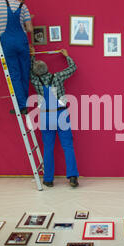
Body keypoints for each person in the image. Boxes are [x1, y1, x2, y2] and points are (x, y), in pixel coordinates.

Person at [30, 47, 79, 188]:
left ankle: (48, 179)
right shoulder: (57, 77)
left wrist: (32, 56)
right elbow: (73, 68)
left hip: (46, 116)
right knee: (68, 146)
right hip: (61, 114)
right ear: (47, 68)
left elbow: (29, 71)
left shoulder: (34, 80)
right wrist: (66, 56)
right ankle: (73, 177)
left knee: (48, 148)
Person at [0, 0, 34, 114]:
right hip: (21, 42)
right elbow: (30, 29)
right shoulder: (23, 7)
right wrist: (28, 20)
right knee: (24, 72)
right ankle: (24, 105)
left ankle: (21, 106)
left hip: (6, 43)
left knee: (14, 74)